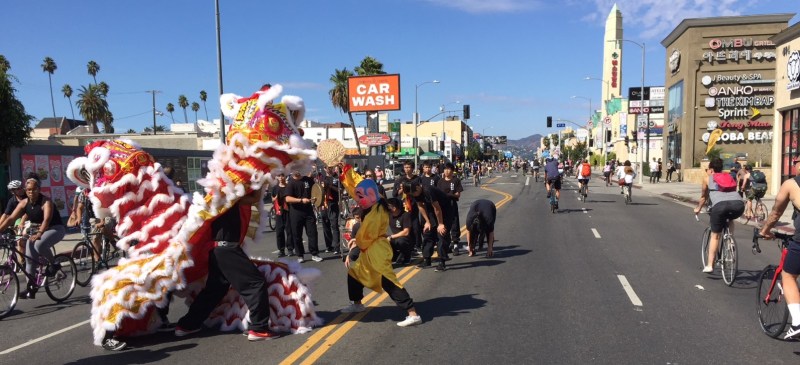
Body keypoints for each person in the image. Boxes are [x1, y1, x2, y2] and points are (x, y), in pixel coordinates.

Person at [175, 188, 278, 341]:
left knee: (215, 289)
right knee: (255, 283)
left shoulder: (216, 200)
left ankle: (187, 325)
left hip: (217, 249)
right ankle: (259, 328)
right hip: (227, 249)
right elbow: (253, 199)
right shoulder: (227, 197)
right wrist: (262, 182)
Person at [339, 167, 422, 327]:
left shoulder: (378, 210)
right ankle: (357, 303)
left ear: (371, 195)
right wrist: (344, 171)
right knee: (354, 274)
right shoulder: (371, 203)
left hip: (377, 251)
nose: (358, 198)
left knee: (389, 282)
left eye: (361, 196)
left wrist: (355, 242)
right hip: (369, 250)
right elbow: (355, 187)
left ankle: (412, 313)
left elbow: (367, 235)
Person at [0, 178, 66, 299]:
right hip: (37, 230)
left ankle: (54, 264)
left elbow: (46, 220)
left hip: (55, 228)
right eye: (29, 189)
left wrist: (40, 232)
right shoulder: (24, 203)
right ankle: (31, 288)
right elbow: (10, 218)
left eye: (34, 189)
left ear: (39, 189)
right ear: (26, 190)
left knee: (39, 245)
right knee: (29, 260)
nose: (31, 192)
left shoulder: (46, 202)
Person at [759, 156, 800, 338]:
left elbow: (776, 212)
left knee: (789, 275)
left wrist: (765, 229)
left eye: (796, 162)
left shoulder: (791, 184)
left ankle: (798, 322)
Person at [693, 158, 745, 273]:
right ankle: (730, 240)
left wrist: (698, 209)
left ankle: (710, 265)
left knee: (715, 236)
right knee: (729, 218)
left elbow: (703, 197)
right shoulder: (730, 177)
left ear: (711, 169)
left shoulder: (707, 179)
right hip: (738, 205)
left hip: (719, 206)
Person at [402, 180, 452, 272]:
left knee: (441, 234)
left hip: (445, 210)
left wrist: (440, 224)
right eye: (411, 194)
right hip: (431, 210)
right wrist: (427, 221)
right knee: (428, 233)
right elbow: (420, 206)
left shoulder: (428, 190)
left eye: (414, 193)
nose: (414, 195)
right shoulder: (414, 193)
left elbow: (437, 208)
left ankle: (442, 262)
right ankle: (427, 259)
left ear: (418, 187)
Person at [286, 170, 322, 263]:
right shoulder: (290, 183)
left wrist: (317, 200)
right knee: (297, 235)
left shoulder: (308, 180)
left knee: (312, 232)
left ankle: (314, 254)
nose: (297, 171)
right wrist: (301, 200)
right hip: (296, 212)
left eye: (298, 168)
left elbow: (316, 190)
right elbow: (287, 198)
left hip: (308, 211)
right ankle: (300, 255)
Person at [437, 163, 463, 255]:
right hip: (443, 206)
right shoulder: (440, 181)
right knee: (444, 224)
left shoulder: (456, 180)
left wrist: (449, 195)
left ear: (452, 170)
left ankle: (455, 244)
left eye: (448, 169)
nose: (446, 171)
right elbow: (438, 194)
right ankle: (447, 244)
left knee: (454, 223)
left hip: (452, 205)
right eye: (445, 169)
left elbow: (458, 194)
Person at [270, 173, 293, 257]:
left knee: (289, 230)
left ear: (285, 176)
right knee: (279, 231)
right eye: (279, 176)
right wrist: (275, 198)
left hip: (288, 211)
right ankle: (281, 250)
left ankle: (290, 249)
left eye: (282, 176)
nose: (280, 177)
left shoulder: (289, 186)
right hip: (279, 212)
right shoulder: (275, 188)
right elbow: (272, 199)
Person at [320, 166, 341, 255]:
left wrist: (330, 186)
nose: (328, 169)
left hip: (333, 203)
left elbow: (340, 190)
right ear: (324, 169)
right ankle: (329, 246)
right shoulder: (321, 178)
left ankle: (337, 247)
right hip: (324, 204)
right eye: (326, 167)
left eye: (330, 167)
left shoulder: (337, 177)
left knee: (334, 226)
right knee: (326, 226)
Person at [386, 197, 412, 265]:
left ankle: (407, 256)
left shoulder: (405, 215)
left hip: (405, 239)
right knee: (383, 240)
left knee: (400, 241)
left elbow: (406, 232)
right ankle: (395, 255)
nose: (387, 207)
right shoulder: (389, 215)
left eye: (389, 206)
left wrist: (391, 236)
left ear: (394, 207)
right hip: (395, 238)